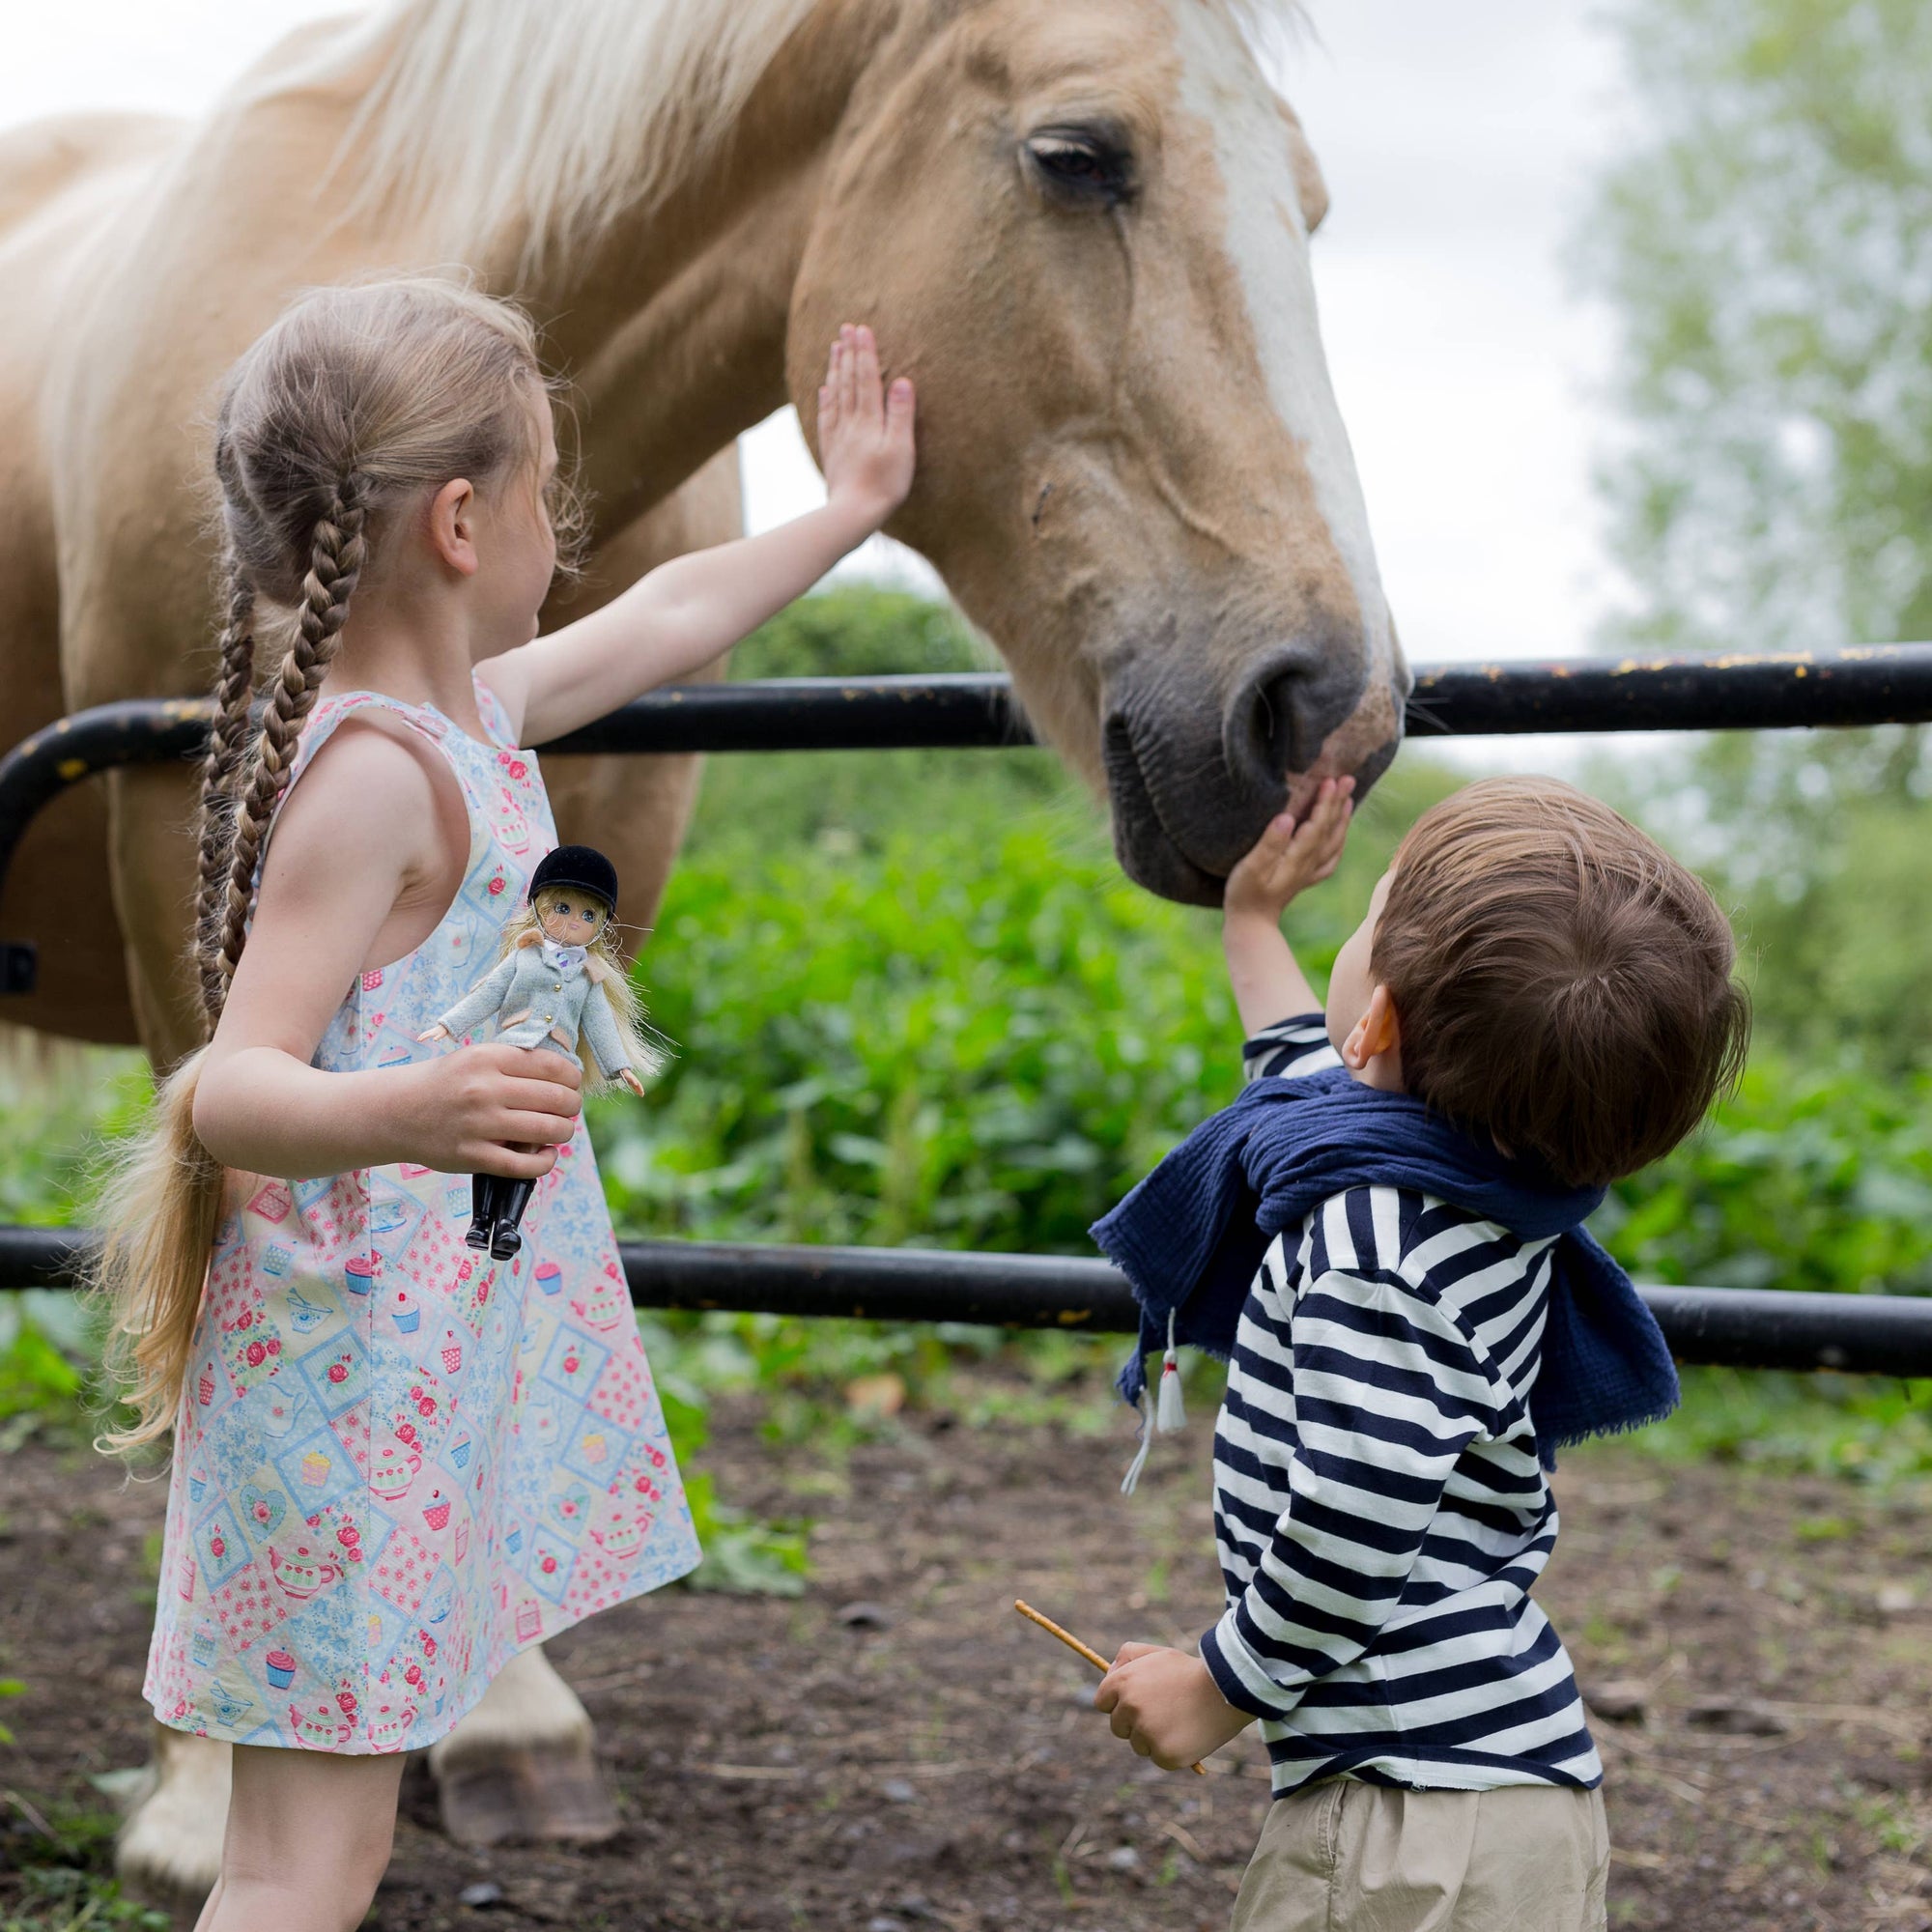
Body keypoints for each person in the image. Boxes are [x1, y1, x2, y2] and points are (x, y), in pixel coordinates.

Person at [90, 274, 914, 1932]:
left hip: (400, 1373)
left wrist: (848, 512)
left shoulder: (469, 716)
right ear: (464, 522)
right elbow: (228, 1087)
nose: (574, 533)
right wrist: (413, 1105)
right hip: (341, 1396)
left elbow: (669, 618)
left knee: (321, 1856)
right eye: (558, 494)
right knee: (298, 1867)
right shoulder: (379, 774)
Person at [1089, 774, 1750, 1932]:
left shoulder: (1370, 1251)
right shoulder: (1484, 1177)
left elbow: (1356, 1511)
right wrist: (1250, 920)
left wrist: (1214, 1683)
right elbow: (1303, 1071)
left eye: (1367, 912)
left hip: (1410, 1820)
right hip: (1500, 1797)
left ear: (1379, 1019)